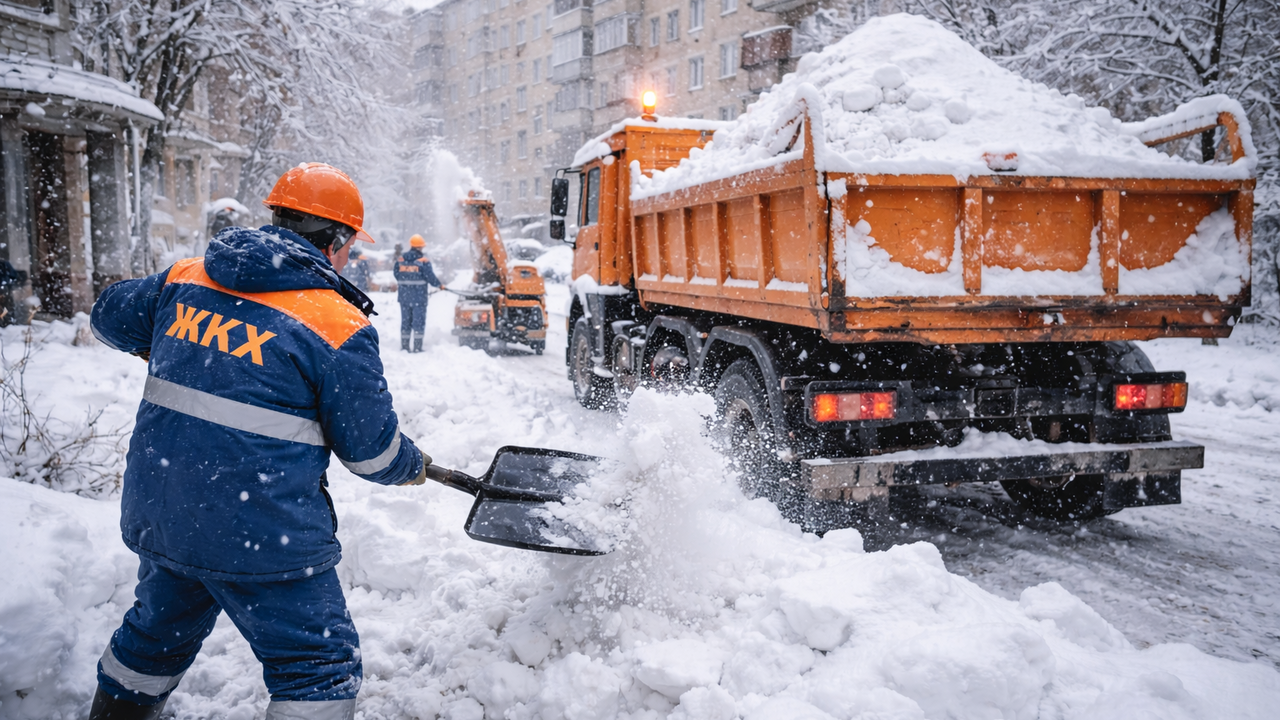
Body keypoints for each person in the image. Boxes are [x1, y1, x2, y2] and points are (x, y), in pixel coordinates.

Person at [87, 162, 431, 720]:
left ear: (277, 219)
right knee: (316, 667)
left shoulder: (187, 278)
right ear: (338, 240)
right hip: (261, 532)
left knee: (153, 639)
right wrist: (410, 464)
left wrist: (173, 342)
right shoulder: (335, 324)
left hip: (168, 514)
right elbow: (371, 454)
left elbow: (107, 317)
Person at [392, 234, 443, 353]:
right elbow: (430, 277)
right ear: (420, 247)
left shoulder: (401, 259)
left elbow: (396, 273)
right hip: (419, 298)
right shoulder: (423, 261)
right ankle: (417, 347)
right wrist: (439, 285)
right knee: (418, 322)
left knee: (406, 322)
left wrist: (404, 282)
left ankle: (404, 346)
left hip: (404, 297)